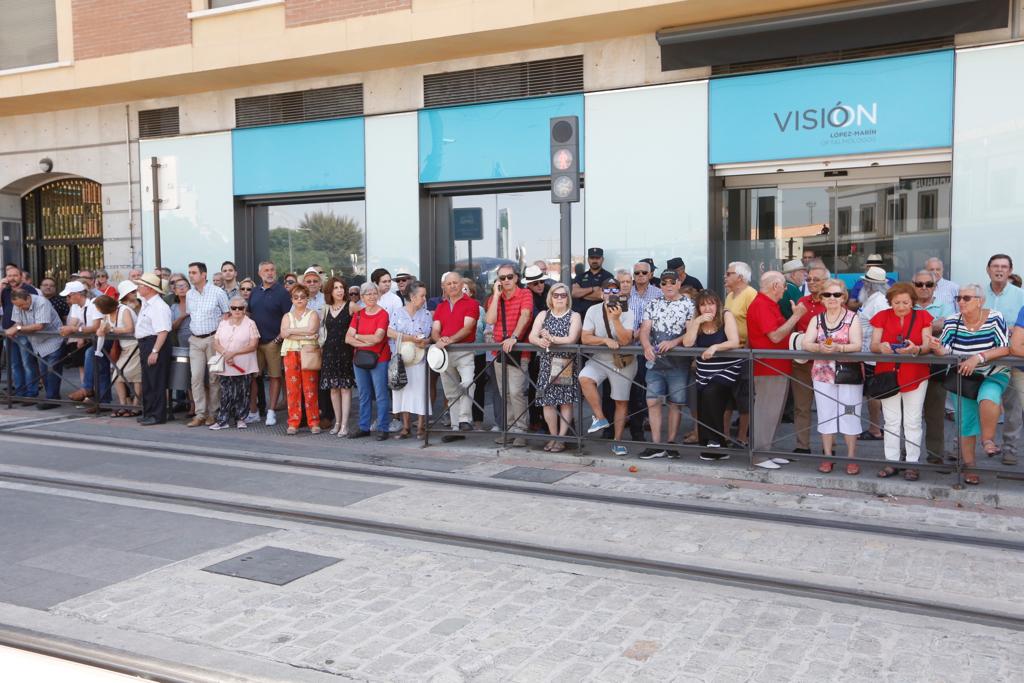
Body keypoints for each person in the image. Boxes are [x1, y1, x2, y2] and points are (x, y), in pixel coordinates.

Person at [930, 284, 1012, 485]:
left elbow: (1004, 348)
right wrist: (937, 348)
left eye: (966, 298)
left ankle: (988, 440)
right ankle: (970, 466)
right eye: (959, 298)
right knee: (965, 423)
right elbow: (946, 349)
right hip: (963, 376)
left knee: (989, 397)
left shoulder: (994, 317)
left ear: (980, 301)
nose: (960, 302)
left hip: (993, 373)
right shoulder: (951, 321)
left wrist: (978, 357)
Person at [869, 282, 935, 480]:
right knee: (891, 421)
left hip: (916, 373)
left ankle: (912, 463)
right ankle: (892, 461)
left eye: (905, 302)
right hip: (887, 374)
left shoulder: (923, 316)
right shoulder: (881, 316)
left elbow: (927, 346)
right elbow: (873, 345)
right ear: (890, 302)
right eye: (896, 302)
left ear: (912, 301)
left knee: (913, 421)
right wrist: (882, 348)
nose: (901, 306)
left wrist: (915, 349)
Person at [803, 279, 864, 475]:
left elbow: (857, 345)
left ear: (843, 297)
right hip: (822, 373)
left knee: (850, 414)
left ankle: (851, 457)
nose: (832, 298)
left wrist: (839, 348)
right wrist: (818, 347)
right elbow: (806, 343)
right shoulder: (817, 319)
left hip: (848, 373)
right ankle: (828, 457)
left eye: (836, 295)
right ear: (821, 298)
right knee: (825, 414)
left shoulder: (853, 318)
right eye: (827, 295)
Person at [747, 272, 807, 469]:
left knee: (773, 412)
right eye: (783, 286)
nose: (785, 290)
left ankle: (767, 451)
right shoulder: (762, 304)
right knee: (766, 411)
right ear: (775, 285)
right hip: (768, 367)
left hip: (776, 366)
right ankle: (759, 455)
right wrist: (796, 316)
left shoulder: (767, 304)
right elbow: (775, 336)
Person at [638, 269, 695, 459]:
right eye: (664, 283)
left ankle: (670, 443)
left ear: (679, 283)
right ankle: (656, 444)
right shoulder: (652, 303)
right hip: (655, 362)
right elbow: (644, 329)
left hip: (679, 363)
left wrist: (673, 342)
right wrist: (646, 345)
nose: (668, 285)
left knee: (675, 403)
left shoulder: (689, 304)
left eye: (672, 282)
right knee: (652, 400)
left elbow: (692, 333)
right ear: (659, 285)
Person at [683, 289, 742, 460]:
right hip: (704, 373)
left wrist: (715, 347)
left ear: (717, 304)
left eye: (711, 304)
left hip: (725, 371)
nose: (707, 308)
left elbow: (734, 341)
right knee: (703, 403)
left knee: (710, 395)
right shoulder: (697, 321)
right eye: (703, 305)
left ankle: (715, 440)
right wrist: (696, 323)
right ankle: (712, 447)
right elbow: (687, 344)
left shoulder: (726, 316)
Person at [580, 278, 636, 456]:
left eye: (614, 291)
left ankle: (617, 442)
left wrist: (616, 319)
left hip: (622, 361)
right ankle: (601, 418)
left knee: (620, 401)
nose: (610, 294)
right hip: (600, 359)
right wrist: (604, 340)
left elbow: (626, 340)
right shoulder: (593, 310)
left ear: (620, 293)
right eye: (607, 291)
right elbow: (585, 338)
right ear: (601, 293)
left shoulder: (627, 311)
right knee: (584, 378)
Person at [528, 283, 581, 452]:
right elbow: (532, 336)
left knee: (565, 402)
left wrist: (550, 338)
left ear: (568, 298)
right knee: (547, 402)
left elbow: (571, 339)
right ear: (550, 297)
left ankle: (562, 438)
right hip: (546, 363)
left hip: (564, 363)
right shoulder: (544, 314)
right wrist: (540, 340)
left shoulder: (574, 316)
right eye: (555, 295)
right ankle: (553, 436)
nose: (559, 298)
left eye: (563, 295)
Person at [485, 264, 534, 446]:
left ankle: (521, 429)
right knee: (504, 392)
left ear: (516, 278)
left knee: (516, 392)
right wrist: (497, 296)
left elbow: (525, 315)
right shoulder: (494, 298)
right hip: (499, 351)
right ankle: (510, 429)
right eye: (502, 278)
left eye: (509, 277)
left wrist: (514, 337)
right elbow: (490, 320)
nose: (506, 281)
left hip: (519, 350)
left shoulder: (525, 294)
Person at [983, 254, 1023, 465]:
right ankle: (961, 446)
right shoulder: (978, 294)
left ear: (1010, 270)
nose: (999, 270)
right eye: (995, 266)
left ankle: (1010, 449)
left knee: (1013, 406)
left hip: (1011, 357)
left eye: (1004, 267)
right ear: (988, 269)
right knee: (973, 400)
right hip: (982, 358)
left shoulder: (1021, 295)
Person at [913, 270, 953, 464]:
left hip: (935, 367)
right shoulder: (906, 305)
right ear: (913, 285)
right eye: (919, 284)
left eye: (928, 284)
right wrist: (932, 326)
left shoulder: (945, 306)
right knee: (909, 417)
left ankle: (935, 457)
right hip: (910, 368)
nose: (923, 288)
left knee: (935, 416)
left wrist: (919, 327)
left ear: (935, 286)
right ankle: (907, 458)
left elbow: (948, 326)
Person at [432, 271, 480, 432]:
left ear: (461, 284)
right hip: (444, 354)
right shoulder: (441, 306)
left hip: (464, 351)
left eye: (455, 282)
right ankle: (455, 427)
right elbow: (435, 330)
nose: (452, 286)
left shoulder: (471, 303)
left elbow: (468, 328)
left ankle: (465, 419)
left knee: (467, 383)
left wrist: (449, 339)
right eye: (449, 283)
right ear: (443, 287)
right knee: (451, 392)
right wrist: (439, 339)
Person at [790, 263, 830, 453]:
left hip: (826, 363)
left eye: (816, 279)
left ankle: (829, 448)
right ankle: (802, 446)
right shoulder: (801, 302)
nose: (812, 282)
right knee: (801, 407)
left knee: (827, 407)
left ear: (826, 282)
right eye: (809, 279)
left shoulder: (833, 301)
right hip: (802, 362)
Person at [185, 262, 230, 427]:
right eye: (189, 272)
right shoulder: (190, 294)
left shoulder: (218, 292)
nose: (191, 275)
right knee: (196, 377)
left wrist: (219, 337)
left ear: (203, 274)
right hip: (195, 339)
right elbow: (191, 314)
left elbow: (227, 314)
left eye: (194, 272)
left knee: (214, 378)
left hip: (213, 339)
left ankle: (214, 413)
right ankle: (200, 414)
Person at [248, 261, 293, 426]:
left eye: (272, 269)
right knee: (254, 377)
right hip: (255, 343)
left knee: (275, 377)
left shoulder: (282, 293)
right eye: (266, 270)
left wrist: (277, 340)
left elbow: (288, 318)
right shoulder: (254, 292)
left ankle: (271, 412)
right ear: (260, 273)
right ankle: (253, 412)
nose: (270, 273)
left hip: (274, 342)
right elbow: (249, 313)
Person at [346, 282, 392, 440]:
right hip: (360, 359)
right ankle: (363, 426)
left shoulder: (383, 314)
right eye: (368, 294)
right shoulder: (358, 314)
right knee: (364, 394)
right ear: (363, 297)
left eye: (374, 293)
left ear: (378, 295)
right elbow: (347, 338)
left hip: (379, 358)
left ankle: (383, 427)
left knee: (381, 394)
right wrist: (365, 342)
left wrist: (357, 337)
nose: (371, 296)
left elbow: (378, 338)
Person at [387, 281, 432, 438]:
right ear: (412, 297)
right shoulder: (398, 313)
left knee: (420, 391)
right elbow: (389, 332)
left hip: (419, 358)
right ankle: (405, 427)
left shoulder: (426, 315)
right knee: (403, 391)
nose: (424, 298)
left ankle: (421, 426)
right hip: (401, 358)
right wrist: (410, 338)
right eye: (422, 296)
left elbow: (430, 336)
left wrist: (424, 341)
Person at [6, 289, 62, 408]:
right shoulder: (18, 304)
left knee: (51, 370)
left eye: (22, 305)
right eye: (17, 306)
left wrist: (18, 329)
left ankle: (52, 399)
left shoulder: (42, 302)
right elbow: (17, 323)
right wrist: (12, 329)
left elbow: (40, 325)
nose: (20, 308)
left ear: (28, 298)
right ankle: (50, 397)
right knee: (44, 371)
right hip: (37, 342)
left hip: (53, 339)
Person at [625, 261, 662, 442]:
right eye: (637, 272)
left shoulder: (659, 293)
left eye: (643, 273)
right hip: (628, 347)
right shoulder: (626, 292)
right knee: (632, 390)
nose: (640, 275)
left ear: (650, 275)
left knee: (646, 390)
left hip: (649, 349)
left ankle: (646, 428)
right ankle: (635, 430)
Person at [211, 296, 260, 430]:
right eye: (234, 308)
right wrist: (226, 354)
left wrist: (234, 353)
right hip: (225, 362)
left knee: (243, 392)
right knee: (226, 392)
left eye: (240, 308)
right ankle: (223, 420)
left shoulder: (250, 323)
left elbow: (253, 345)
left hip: (243, 364)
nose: (237, 310)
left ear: (244, 309)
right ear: (230, 309)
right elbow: (215, 343)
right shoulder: (223, 323)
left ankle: (241, 418)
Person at [279, 283, 321, 435]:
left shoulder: (313, 314)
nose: (299, 300)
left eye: (302, 297)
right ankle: (293, 422)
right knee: (292, 389)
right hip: (291, 352)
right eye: (296, 297)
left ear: (307, 299)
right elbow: (283, 334)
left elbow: (312, 330)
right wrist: (304, 334)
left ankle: (314, 421)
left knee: (310, 389)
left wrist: (291, 331)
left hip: (308, 352)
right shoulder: (287, 316)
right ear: (291, 299)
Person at [723, 262, 757, 445]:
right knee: (727, 396)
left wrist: (748, 351)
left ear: (741, 278)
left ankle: (742, 437)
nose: (725, 276)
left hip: (744, 353)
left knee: (744, 397)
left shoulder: (751, 295)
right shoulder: (729, 295)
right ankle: (725, 435)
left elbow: (753, 326)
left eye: (729, 273)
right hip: (730, 352)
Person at [133, 273, 173, 425]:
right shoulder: (147, 302)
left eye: (141, 285)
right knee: (148, 380)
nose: (138, 288)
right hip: (146, 343)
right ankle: (149, 412)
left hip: (155, 343)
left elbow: (163, 331)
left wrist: (155, 351)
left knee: (156, 380)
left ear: (149, 288)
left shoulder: (159, 306)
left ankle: (157, 415)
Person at [319, 276, 357, 437]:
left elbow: (362, 322)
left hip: (345, 351)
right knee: (333, 390)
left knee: (345, 389)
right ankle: (337, 422)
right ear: (330, 291)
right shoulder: (325, 308)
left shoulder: (352, 306)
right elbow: (321, 331)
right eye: (336, 288)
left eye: (342, 287)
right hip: (329, 352)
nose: (340, 290)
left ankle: (345, 425)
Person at [857, 267, 891, 441]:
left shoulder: (878, 302)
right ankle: (876, 427)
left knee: (874, 393)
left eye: (865, 282)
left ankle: (875, 428)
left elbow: (884, 327)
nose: (862, 284)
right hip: (868, 354)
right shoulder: (872, 300)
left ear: (869, 284)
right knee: (873, 393)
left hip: (873, 356)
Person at [1, 264, 39, 401]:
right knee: (14, 364)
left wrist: (18, 328)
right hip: (8, 332)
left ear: (21, 277)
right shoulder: (5, 291)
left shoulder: (28, 290)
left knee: (27, 363)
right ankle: (20, 392)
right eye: (9, 275)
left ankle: (31, 392)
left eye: (15, 275)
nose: (11, 278)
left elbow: (32, 311)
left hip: (24, 332)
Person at [59, 281, 97, 402]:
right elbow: (74, 322)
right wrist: (68, 329)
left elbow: (95, 327)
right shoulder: (75, 306)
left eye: (69, 296)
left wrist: (74, 329)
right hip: (88, 338)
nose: (67, 299)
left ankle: (88, 390)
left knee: (90, 355)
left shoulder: (93, 304)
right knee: (82, 359)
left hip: (101, 338)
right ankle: (88, 394)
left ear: (77, 294)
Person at [108, 281, 142, 416]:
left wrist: (110, 329)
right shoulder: (122, 308)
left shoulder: (126, 309)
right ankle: (126, 404)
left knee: (135, 377)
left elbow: (129, 328)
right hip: (126, 347)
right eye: (133, 292)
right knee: (120, 376)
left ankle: (134, 405)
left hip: (134, 346)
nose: (135, 293)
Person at [87, 296, 120, 414]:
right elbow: (101, 328)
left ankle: (88, 389)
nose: (97, 310)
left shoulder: (122, 310)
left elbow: (129, 328)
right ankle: (101, 400)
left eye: (98, 307)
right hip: (109, 345)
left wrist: (109, 330)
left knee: (92, 356)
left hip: (124, 345)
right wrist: (101, 330)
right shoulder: (106, 315)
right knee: (98, 365)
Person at [571, 247, 613, 315]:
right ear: (588, 260)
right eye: (592, 258)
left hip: (600, 316)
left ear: (602, 259)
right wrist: (592, 289)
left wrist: (581, 294)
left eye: (597, 258)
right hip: (581, 316)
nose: (594, 261)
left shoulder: (608, 276)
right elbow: (574, 293)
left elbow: (602, 295)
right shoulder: (581, 276)